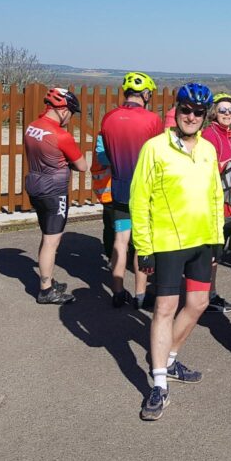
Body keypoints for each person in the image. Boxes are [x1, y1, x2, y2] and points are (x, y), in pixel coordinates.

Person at [130, 83, 224, 421]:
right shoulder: (155, 148)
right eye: (186, 110)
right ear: (177, 110)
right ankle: (158, 385)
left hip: (201, 242)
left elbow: (215, 195)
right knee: (164, 309)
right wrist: (144, 248)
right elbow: (139, 201)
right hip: (167, 242)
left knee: (198, 304)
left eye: (199, 112)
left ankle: (168, 361)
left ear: (205, 116)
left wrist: (217, 238)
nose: (191, 116)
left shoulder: (209, 149)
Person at [98, 72, 163, 309]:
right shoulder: (152, 120)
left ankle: (117, 291)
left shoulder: (109, 118)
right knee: (141, 243)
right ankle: (140, 294)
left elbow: (103, 154)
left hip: (118, 189)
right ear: (145, 94)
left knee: (120, 241)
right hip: (144, 192)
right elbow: (159, 155)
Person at [23, 88, 88, 305]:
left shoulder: (31, 127)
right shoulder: (61, 135)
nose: (71, 117)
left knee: (46, 235)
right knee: (52, 241)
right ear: (63, 110)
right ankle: (46, 290)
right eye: (72, 113)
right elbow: (82, 165)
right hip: (55, 192)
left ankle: (47, 280)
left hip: (35, 186)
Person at [199, 92, 231, 313]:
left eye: (230, 110)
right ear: (215, 112)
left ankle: (207, 294)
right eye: (222, 110)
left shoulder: (226, 135)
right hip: (214, 205)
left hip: (227, 204)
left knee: (215, 254)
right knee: (211, 254)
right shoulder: (210, 135)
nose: (226, 114)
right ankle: (206, 296)